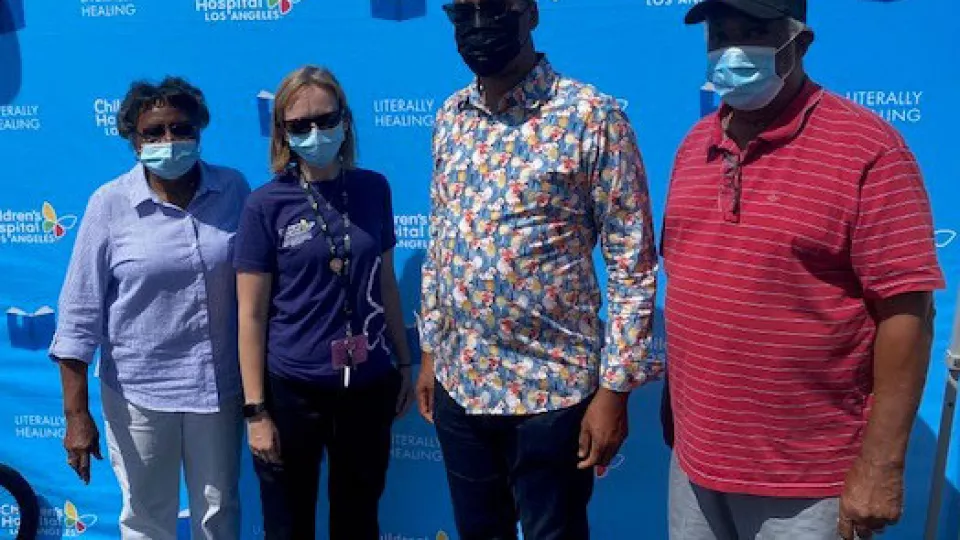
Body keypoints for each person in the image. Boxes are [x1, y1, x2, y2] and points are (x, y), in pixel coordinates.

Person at [661, 1, 946, 539]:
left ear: (801, 43)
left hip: (810, 482)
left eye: (756, 32)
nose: (733, 49)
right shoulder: (695, 146)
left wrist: (881, 466)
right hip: (697, 467)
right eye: (721, 34)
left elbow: (908, 312)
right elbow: (692, 282)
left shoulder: (870, 150)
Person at [416, 1, 659, 538]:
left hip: (552, 394)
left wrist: (615, 390)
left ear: (529, 13)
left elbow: (633, 263)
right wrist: (432, 352)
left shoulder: (591, 116)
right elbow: (441, 242)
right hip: (463, 384)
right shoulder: (450, 116)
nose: (478, 27)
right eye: (462, 14)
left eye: (494, 10)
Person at [51, 76, 249, 540]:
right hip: (140, 393)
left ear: (199, 130)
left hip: (218, 387)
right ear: (132, 139)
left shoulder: (234, 189)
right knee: (146, 517)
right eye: (153, 132)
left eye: (181, 129)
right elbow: (79, 316)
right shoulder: (110, 204)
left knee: (218, 514)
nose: (169, 141)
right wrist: (76, 417)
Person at [234, 65, 415, 540]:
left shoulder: (374, 189)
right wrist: (256, 412)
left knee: (358, 518)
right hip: (293, 388)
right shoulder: (264, 205)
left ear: (345, 120)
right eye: (300, 125)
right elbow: (250, 315)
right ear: (282, 133)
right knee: (288, 523)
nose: (315, 133)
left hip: (368, 383)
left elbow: (387, 284)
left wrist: (404, 360)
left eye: (325, 119)